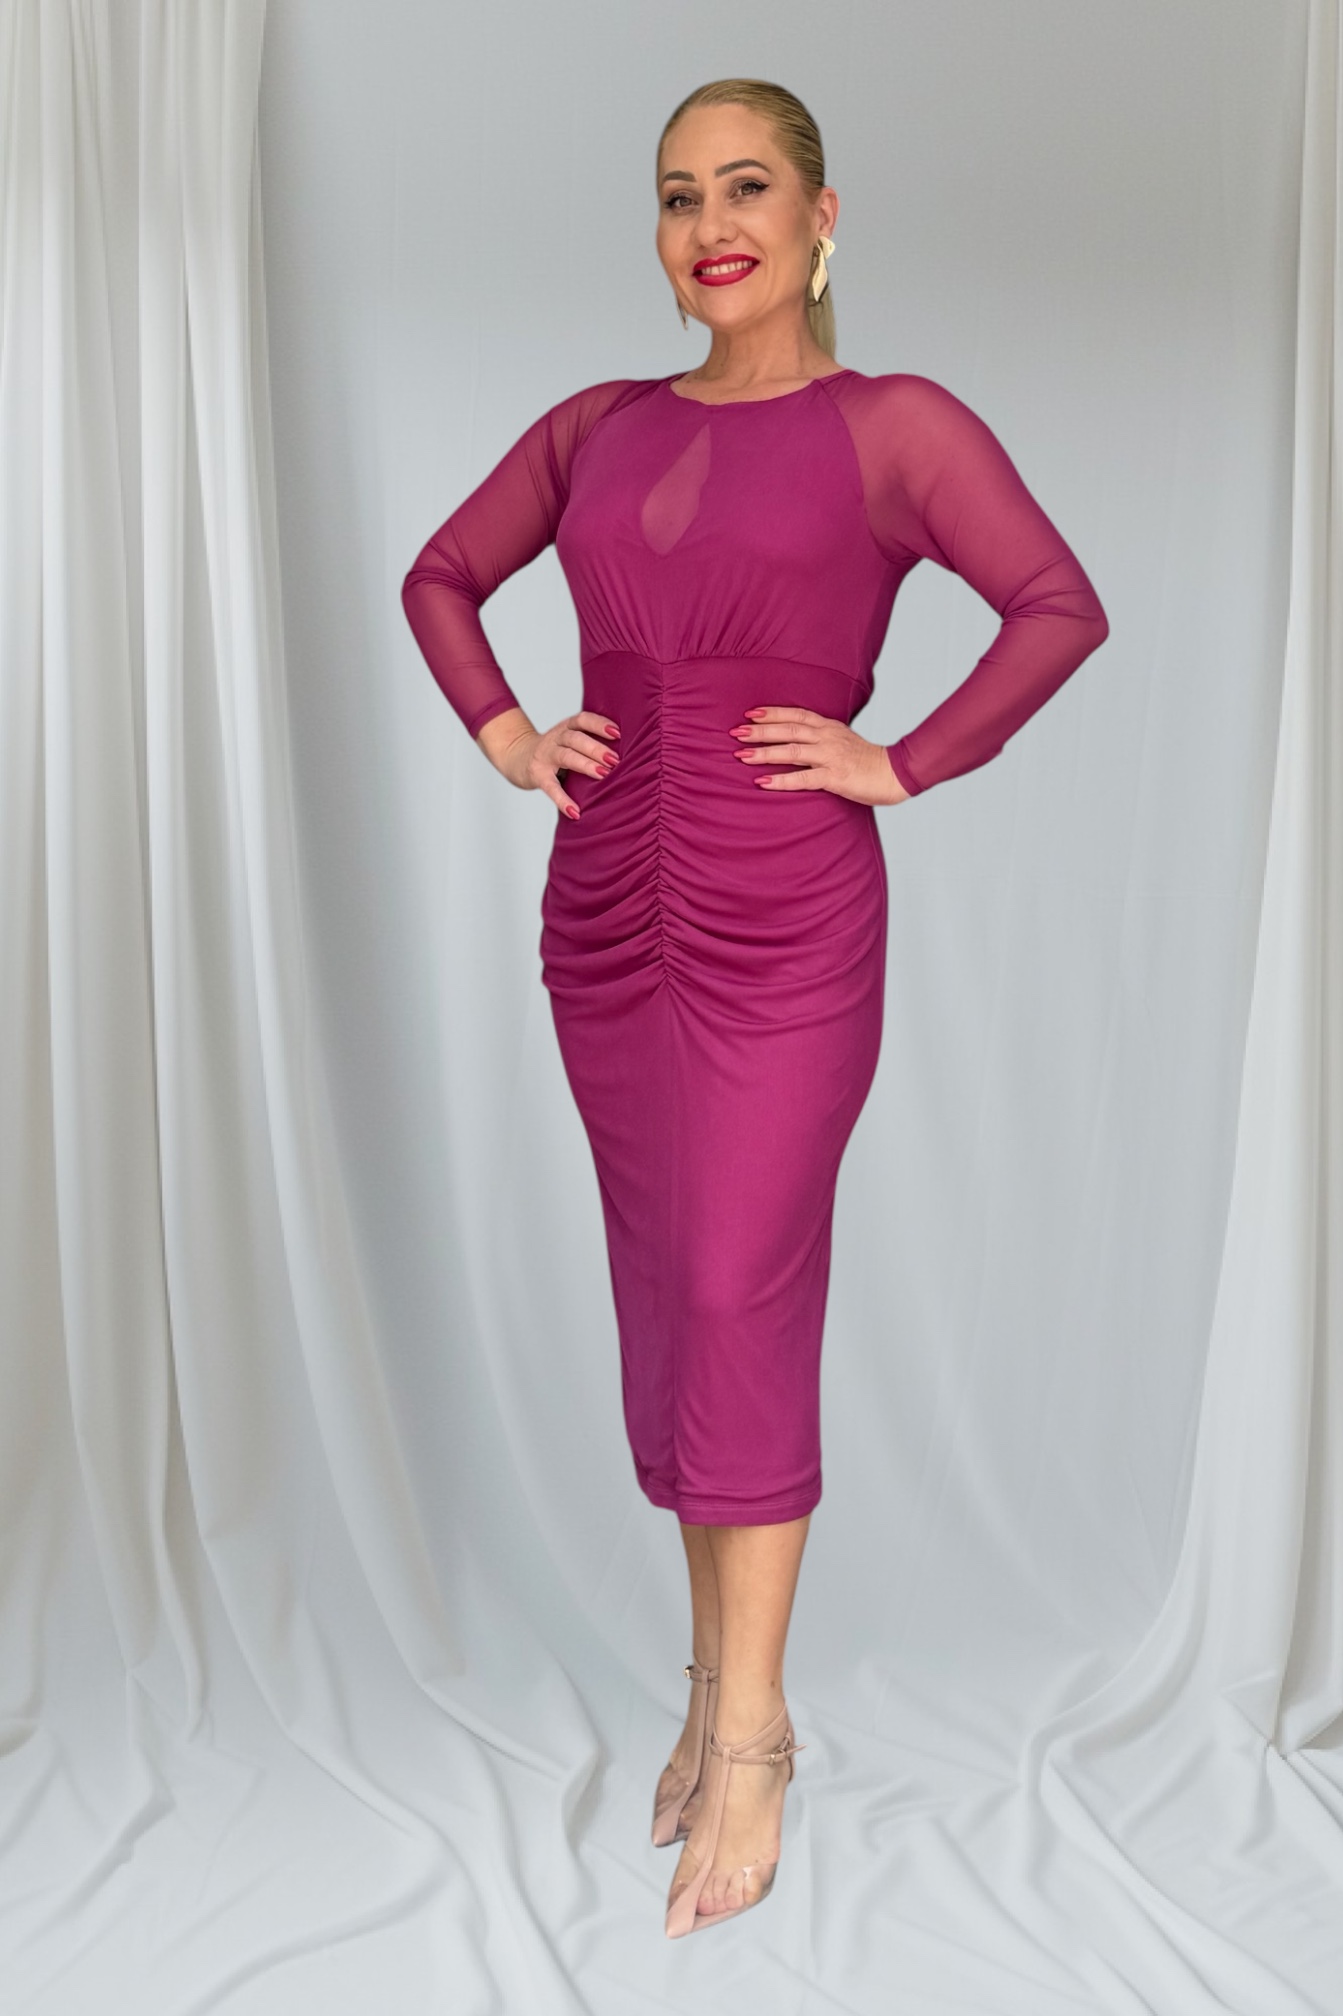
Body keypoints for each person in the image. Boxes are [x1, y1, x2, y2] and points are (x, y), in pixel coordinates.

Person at [401, 76, 1109, 1938]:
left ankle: (757, 1737)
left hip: (784, 918)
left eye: (746, 189)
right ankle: (708, 1679)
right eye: (677, 196)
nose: (711, 226)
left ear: (820, 217)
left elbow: (1055, 604)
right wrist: (510, 735)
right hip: (603, 918)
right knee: (668, 1298)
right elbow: (441, 576)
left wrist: (903, 759)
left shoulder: (894, 425)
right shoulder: (597, 425)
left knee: (739, 1287)